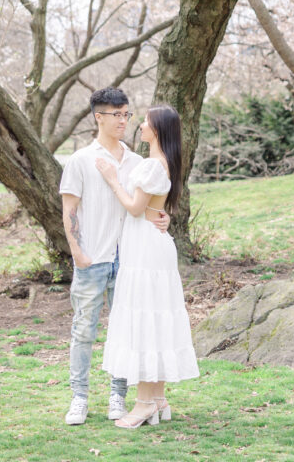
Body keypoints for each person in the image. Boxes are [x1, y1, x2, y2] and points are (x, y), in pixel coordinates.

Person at [59, 86, 170, 426]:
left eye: (127, 114)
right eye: (117, 115)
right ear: (99, 117)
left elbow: (147, 205)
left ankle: (117, 396)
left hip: (131, 260)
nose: (124, 120)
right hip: (94, 258)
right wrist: (78, 252)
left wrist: (166, 218)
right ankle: (79, 398)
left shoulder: (138, 162)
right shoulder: (80, 160)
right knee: (83, 331)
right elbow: (70, 209)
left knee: (126, 331)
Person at [95, 104, 199, 429]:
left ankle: (142, 404)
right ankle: (156, 399)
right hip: (151, 245)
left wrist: (113, 180)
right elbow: (155, 208)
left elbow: (136, 208)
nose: (140, 125)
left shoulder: (154, 166)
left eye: (146, 122)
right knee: (153, 317)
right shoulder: (160, 164)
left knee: (144, 319)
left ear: (158, 129)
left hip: (146, 249)